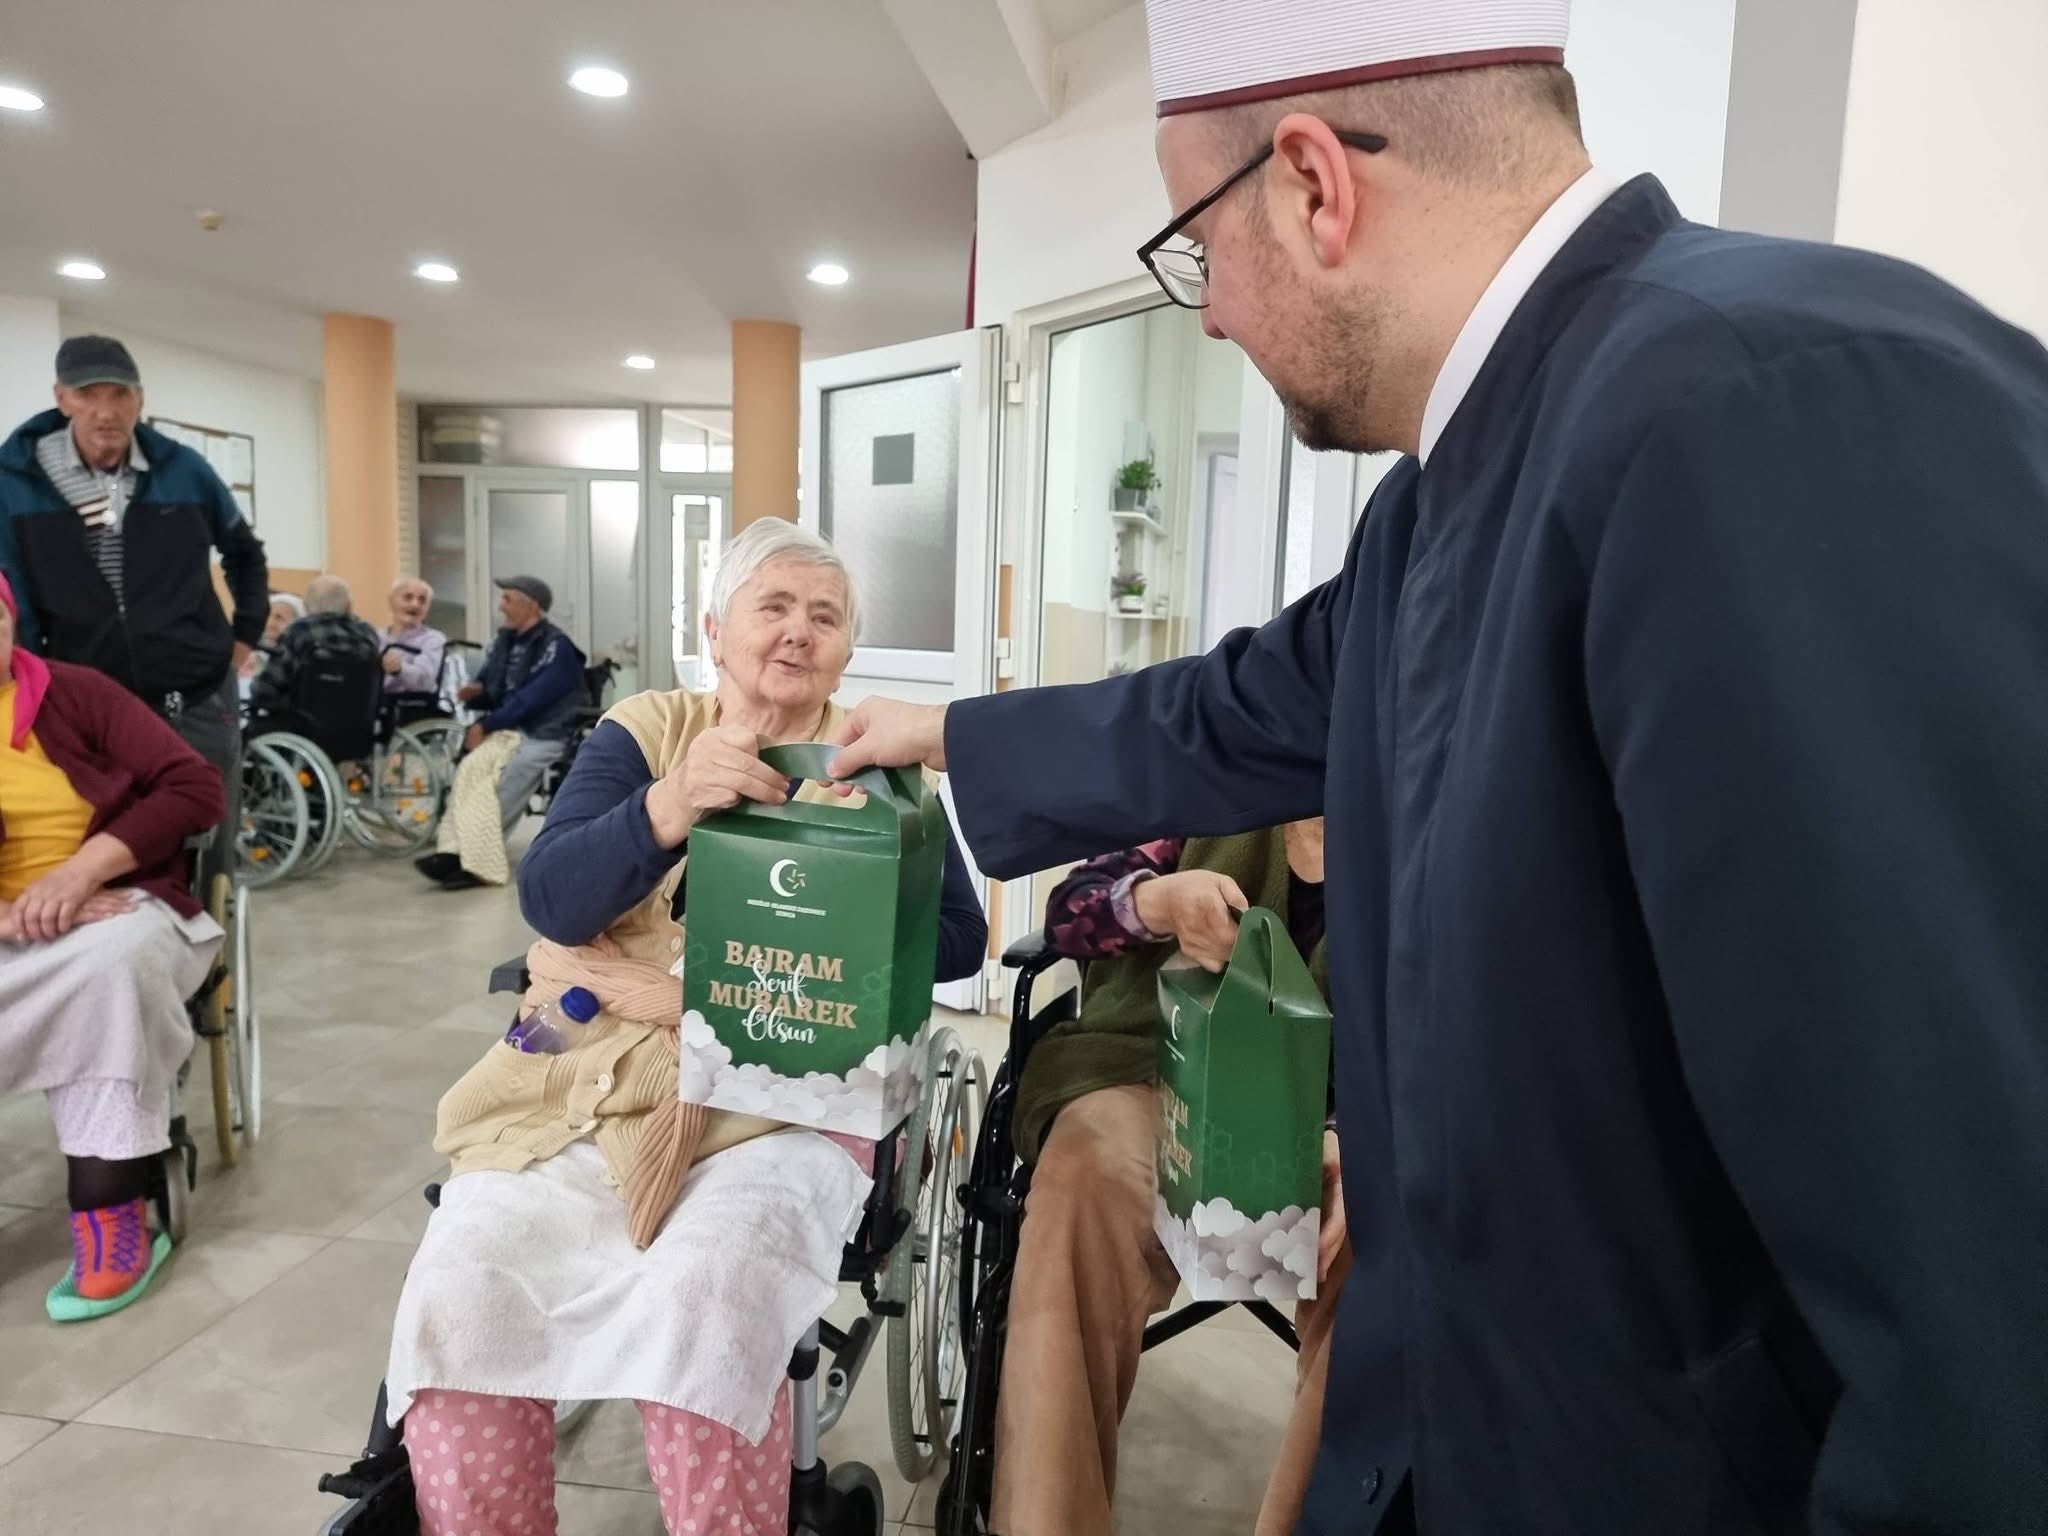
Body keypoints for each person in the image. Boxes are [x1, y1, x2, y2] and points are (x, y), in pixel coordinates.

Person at [828, 3, 2048, 1532]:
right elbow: (1235, 708)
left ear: (1313, 184)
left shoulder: (1772, 401)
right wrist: (943, 733)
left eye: (1196, 253)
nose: (1209, 317)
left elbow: (1980, 1295)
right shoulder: (1448, 492)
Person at [380, 519, 986, 1536]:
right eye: (773, 607)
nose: (798, 632)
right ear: (715, 631)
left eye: (825, 616)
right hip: (589, 1071)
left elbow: (962, 942)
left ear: (846, 649)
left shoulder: (873, 762)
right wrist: (667, 806)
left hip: (780, 1099)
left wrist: (857, 888)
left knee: (705, 1305)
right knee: (464, 1289)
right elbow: (554, 899)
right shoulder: (646, 731)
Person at [1000, 820, 1344, 1536]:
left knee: (1386, 1247)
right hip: (1156, 1078)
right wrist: (1156, 902)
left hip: (1328, 1117)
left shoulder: (1415, 839)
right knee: (1085, 1177)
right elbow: (1071, 909)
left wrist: (1353, 1135)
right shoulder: (1207, 795)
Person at [0, 573, 224, 1322]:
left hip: (114, 908)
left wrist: (80, 872)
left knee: (110, 969)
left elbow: (193, 786)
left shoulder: (78, 693)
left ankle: (112, 1205)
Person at [0, 335, 268, 881]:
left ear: (140, 400)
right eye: (88, 394)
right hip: (85, 701)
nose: (106, 411)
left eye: (119, 394)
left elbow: (244, 553)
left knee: (208, 841)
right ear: (62, 398)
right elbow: (11, 587)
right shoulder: (14, 483)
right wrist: (36, 671)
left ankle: (208, 932)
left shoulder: (184, 470)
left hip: (194, 692)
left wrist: (242, 637)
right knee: (106, 839)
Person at [413, 575, 584, 891]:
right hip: (509, 729)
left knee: (508, 776)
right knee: (470, 771)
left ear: (531, 605)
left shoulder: (556, 647)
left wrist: (485, 725)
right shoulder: (506, 642)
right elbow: (495, 690)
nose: (501, 607)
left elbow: (530, 700)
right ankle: (451, 850)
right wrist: (477, 692)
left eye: (508, 599)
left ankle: (477, 860)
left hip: (546, 733)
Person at [245, 573, 382, 722]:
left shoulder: (300, 632)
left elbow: (266, 688)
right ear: (349, 607)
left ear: (306, 607)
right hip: (357, 726)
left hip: (302, 727)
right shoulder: (368, 635)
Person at [380, 576, 446, 699]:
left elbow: (425, 681)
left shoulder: (433, 639)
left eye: (422, 600)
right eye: (408, 597)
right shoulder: (377, 637)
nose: (415, 604)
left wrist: (400, 670)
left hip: (410, 705)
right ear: (391, 602)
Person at [240, 591, 306, 683]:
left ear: (296, 625)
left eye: (279, 617)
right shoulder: (245, 652)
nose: (270, 622)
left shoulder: (296, 664)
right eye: (267, 615)